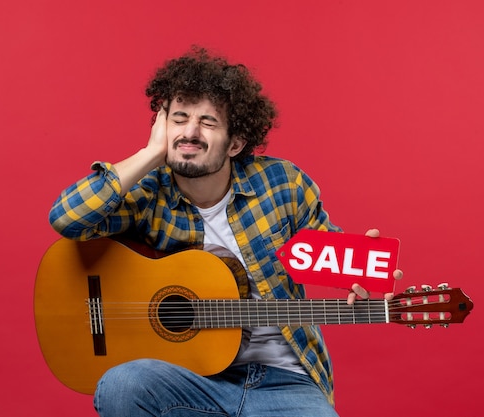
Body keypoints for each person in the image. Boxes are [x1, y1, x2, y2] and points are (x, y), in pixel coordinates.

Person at [49, 46, 402, 417]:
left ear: (235, 143)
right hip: (188, 377)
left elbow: (331, 255)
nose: (189, 132)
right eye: (179, 118)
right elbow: (66, 218)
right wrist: (152, 153)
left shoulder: (282, 184)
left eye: (207, 122)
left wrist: (358, 274)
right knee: (122, 385)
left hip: (284, 380)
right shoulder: (147, 192)